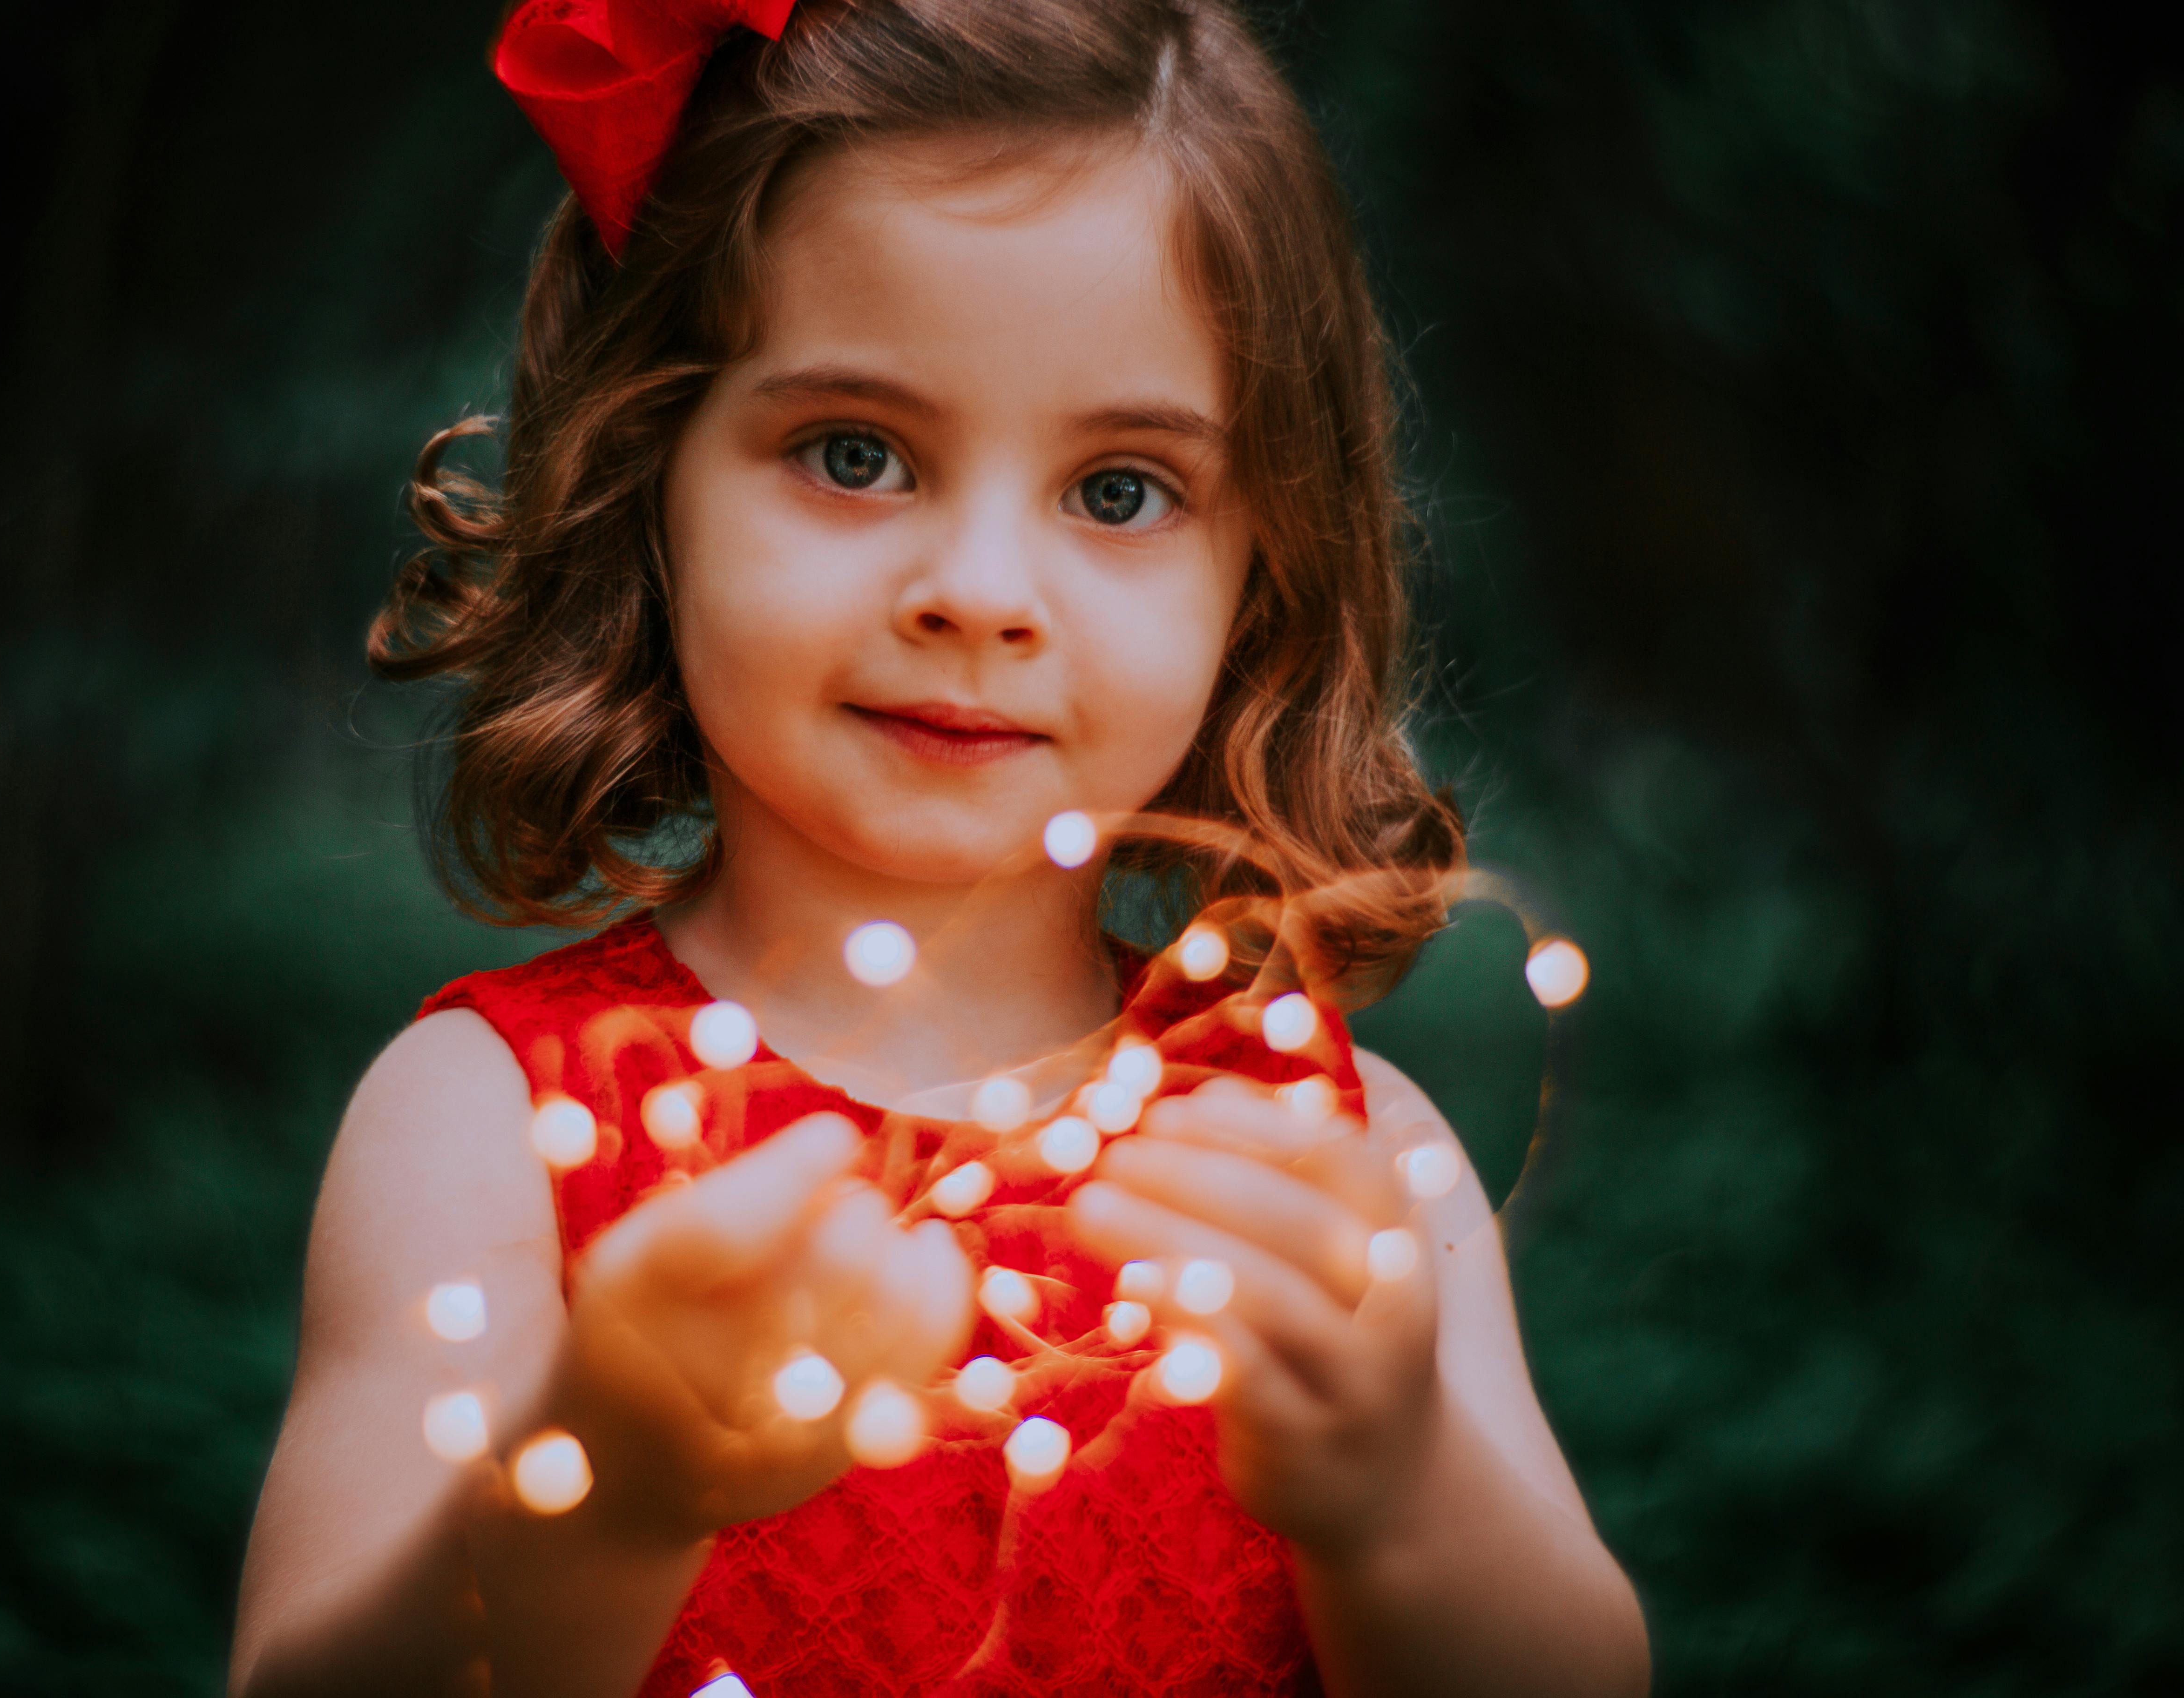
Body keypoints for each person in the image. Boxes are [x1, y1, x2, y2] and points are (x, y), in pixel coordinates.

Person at [230, 1, 1650, 1692]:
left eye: (1120, 490)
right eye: (855, 455)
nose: (979, 592)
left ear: (1261, 567)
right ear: (647, 468)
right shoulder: (488, 1131)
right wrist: (601, 1500)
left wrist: (1395, 1493)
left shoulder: (1330, 1173)